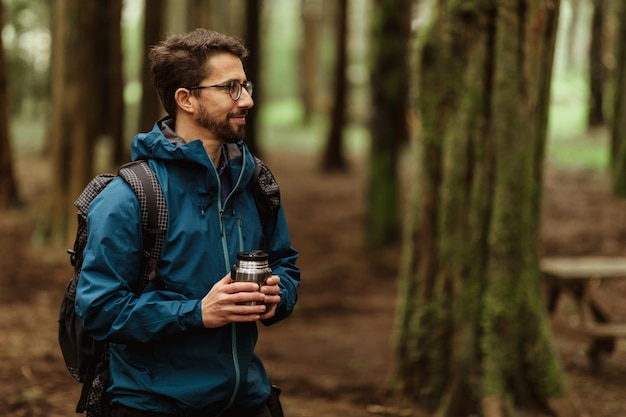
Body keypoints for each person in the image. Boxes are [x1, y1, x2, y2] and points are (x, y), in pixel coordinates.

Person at [75, 29, 300, 417]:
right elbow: (99, 309)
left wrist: (277, 298)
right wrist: (196, 313)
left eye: (245, 85)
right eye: (230, 87)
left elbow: (286, 264)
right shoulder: (130, 196)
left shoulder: (256, 183)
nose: (247, 99)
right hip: (153, 405)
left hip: (248, 400)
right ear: (186, 99)